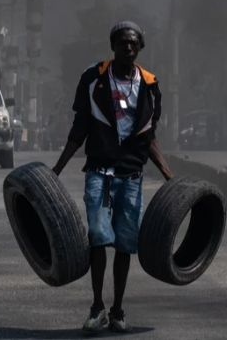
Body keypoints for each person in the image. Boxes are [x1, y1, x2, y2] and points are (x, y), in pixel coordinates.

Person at [52, 21, 173, 334]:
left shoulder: (149, 84)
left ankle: (118, 310)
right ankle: (97, 307)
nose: (128, 48)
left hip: (131, 175)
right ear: (113, 46)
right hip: (98, 173)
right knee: (98, 237)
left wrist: (169, 177)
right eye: (122, 43)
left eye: (133, 44)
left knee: (124, 243)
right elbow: (80, 128)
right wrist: (56, 170)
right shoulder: (94, 79)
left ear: (140, 48)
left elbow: (149, 137)